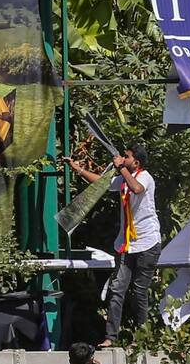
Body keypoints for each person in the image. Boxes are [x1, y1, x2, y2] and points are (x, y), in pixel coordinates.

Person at [67, 143, 161, 346]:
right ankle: (111, 337)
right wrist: (79, 169)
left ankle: (141, 336)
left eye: (126, 157)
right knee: (117, 289)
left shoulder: (144, 177)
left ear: (136, 162)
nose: (122, 159)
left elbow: (136, 189)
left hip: (147, 243)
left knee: (139, 291)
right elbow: (101, 183)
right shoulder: (123, 180)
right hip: (126, 244)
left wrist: (121, 168)